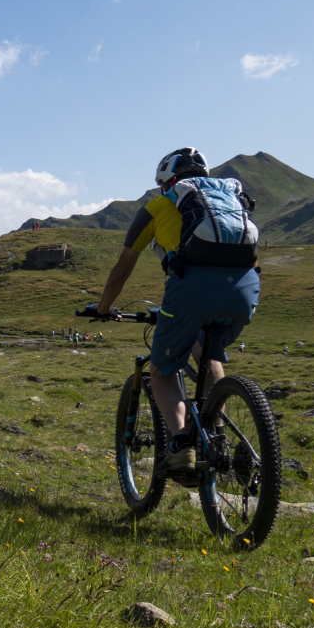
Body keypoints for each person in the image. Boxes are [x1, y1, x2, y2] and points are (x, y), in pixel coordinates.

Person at [90, 147, 260, 475]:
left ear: (168, 182)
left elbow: (122, 269)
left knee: (161, 371)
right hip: (245, 290)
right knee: (207, 352)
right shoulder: (230, 200)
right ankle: (219, 436)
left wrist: (103, 308)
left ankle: (182, 444)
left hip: (191, 292)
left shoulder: (158, 206)